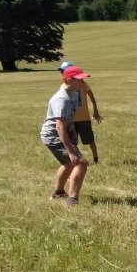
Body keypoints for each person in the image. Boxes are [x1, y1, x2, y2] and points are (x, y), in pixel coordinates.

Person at [40, 65, 90, 208]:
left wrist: (72, 133)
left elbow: (70, 117)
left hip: (62, 133)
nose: (82, 82)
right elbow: (59, 127)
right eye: (79, 80)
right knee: (80, 163)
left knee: (68, 164)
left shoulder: (74, 92)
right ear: (69, 80)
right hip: (53, 135)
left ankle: (59, 192)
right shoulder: (61, 99)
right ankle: (72, 201)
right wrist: (71, 151)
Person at [59, 60, 103, 163]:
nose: (62, 72)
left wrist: (95, 111)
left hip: (84, 118)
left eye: (64, 70)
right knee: (72, 141)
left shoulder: (82, 83)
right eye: (61, 70)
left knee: (90, 140)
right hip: (71, 119)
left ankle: (96, 160)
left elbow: (91, 96)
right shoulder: (63, 86)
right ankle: (76, 160)